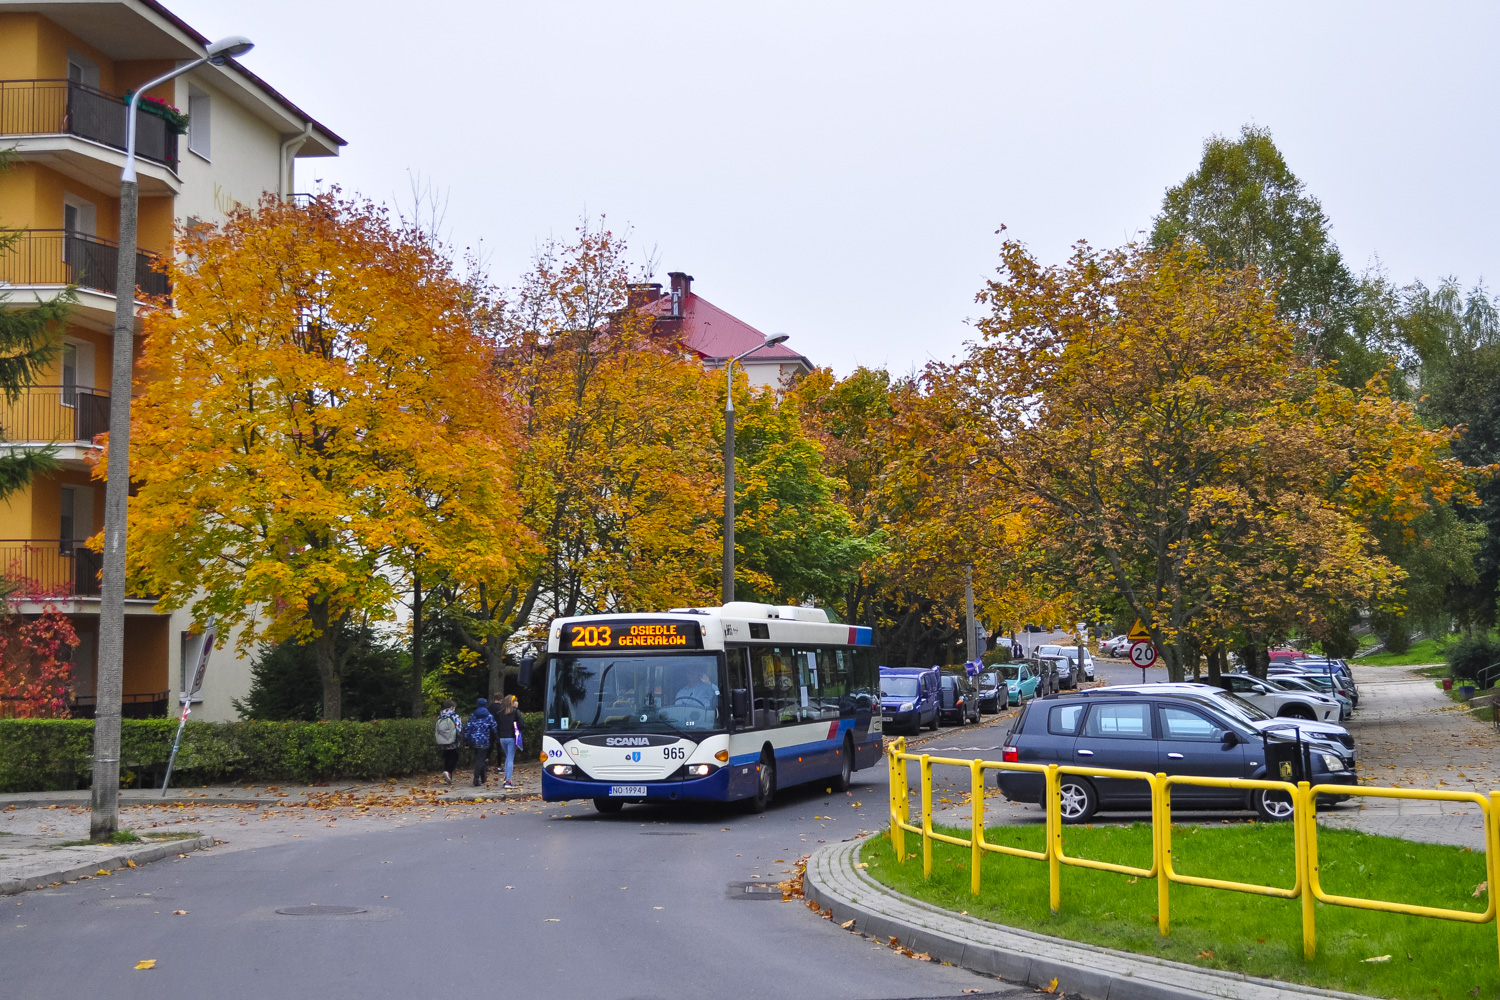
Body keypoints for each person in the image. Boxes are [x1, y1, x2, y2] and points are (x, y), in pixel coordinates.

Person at [462, 697, 499, 787]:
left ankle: (483, 777)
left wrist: (466, 740)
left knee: (479, 758)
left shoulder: (473, 715)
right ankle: (476, 778)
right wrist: (497, 738)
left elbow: (467, 728)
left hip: (473, 740)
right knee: (480, 759)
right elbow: (494, 727)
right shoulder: (489, 716)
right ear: (485, 705)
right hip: (484, 739)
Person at [493, 694, 521, 790]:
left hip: (502, 738)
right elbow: (522, 724)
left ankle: (506, 778)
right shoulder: (516, 712)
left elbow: (497, 726)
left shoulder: (500, 713)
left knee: (507, 757)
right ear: (512, 703)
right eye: (516, 701)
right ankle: (508, 780)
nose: (517, 703)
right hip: (511, 738)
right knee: (510, 758)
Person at [434, 698, 462, 785]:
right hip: (452, 741)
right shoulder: (454, 716)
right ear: (452, 707)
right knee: (454, 757)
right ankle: (448, 772)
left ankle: (448, 778)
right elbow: (459, 728)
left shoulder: (441, 716)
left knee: (447, 757)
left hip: (443, 741)